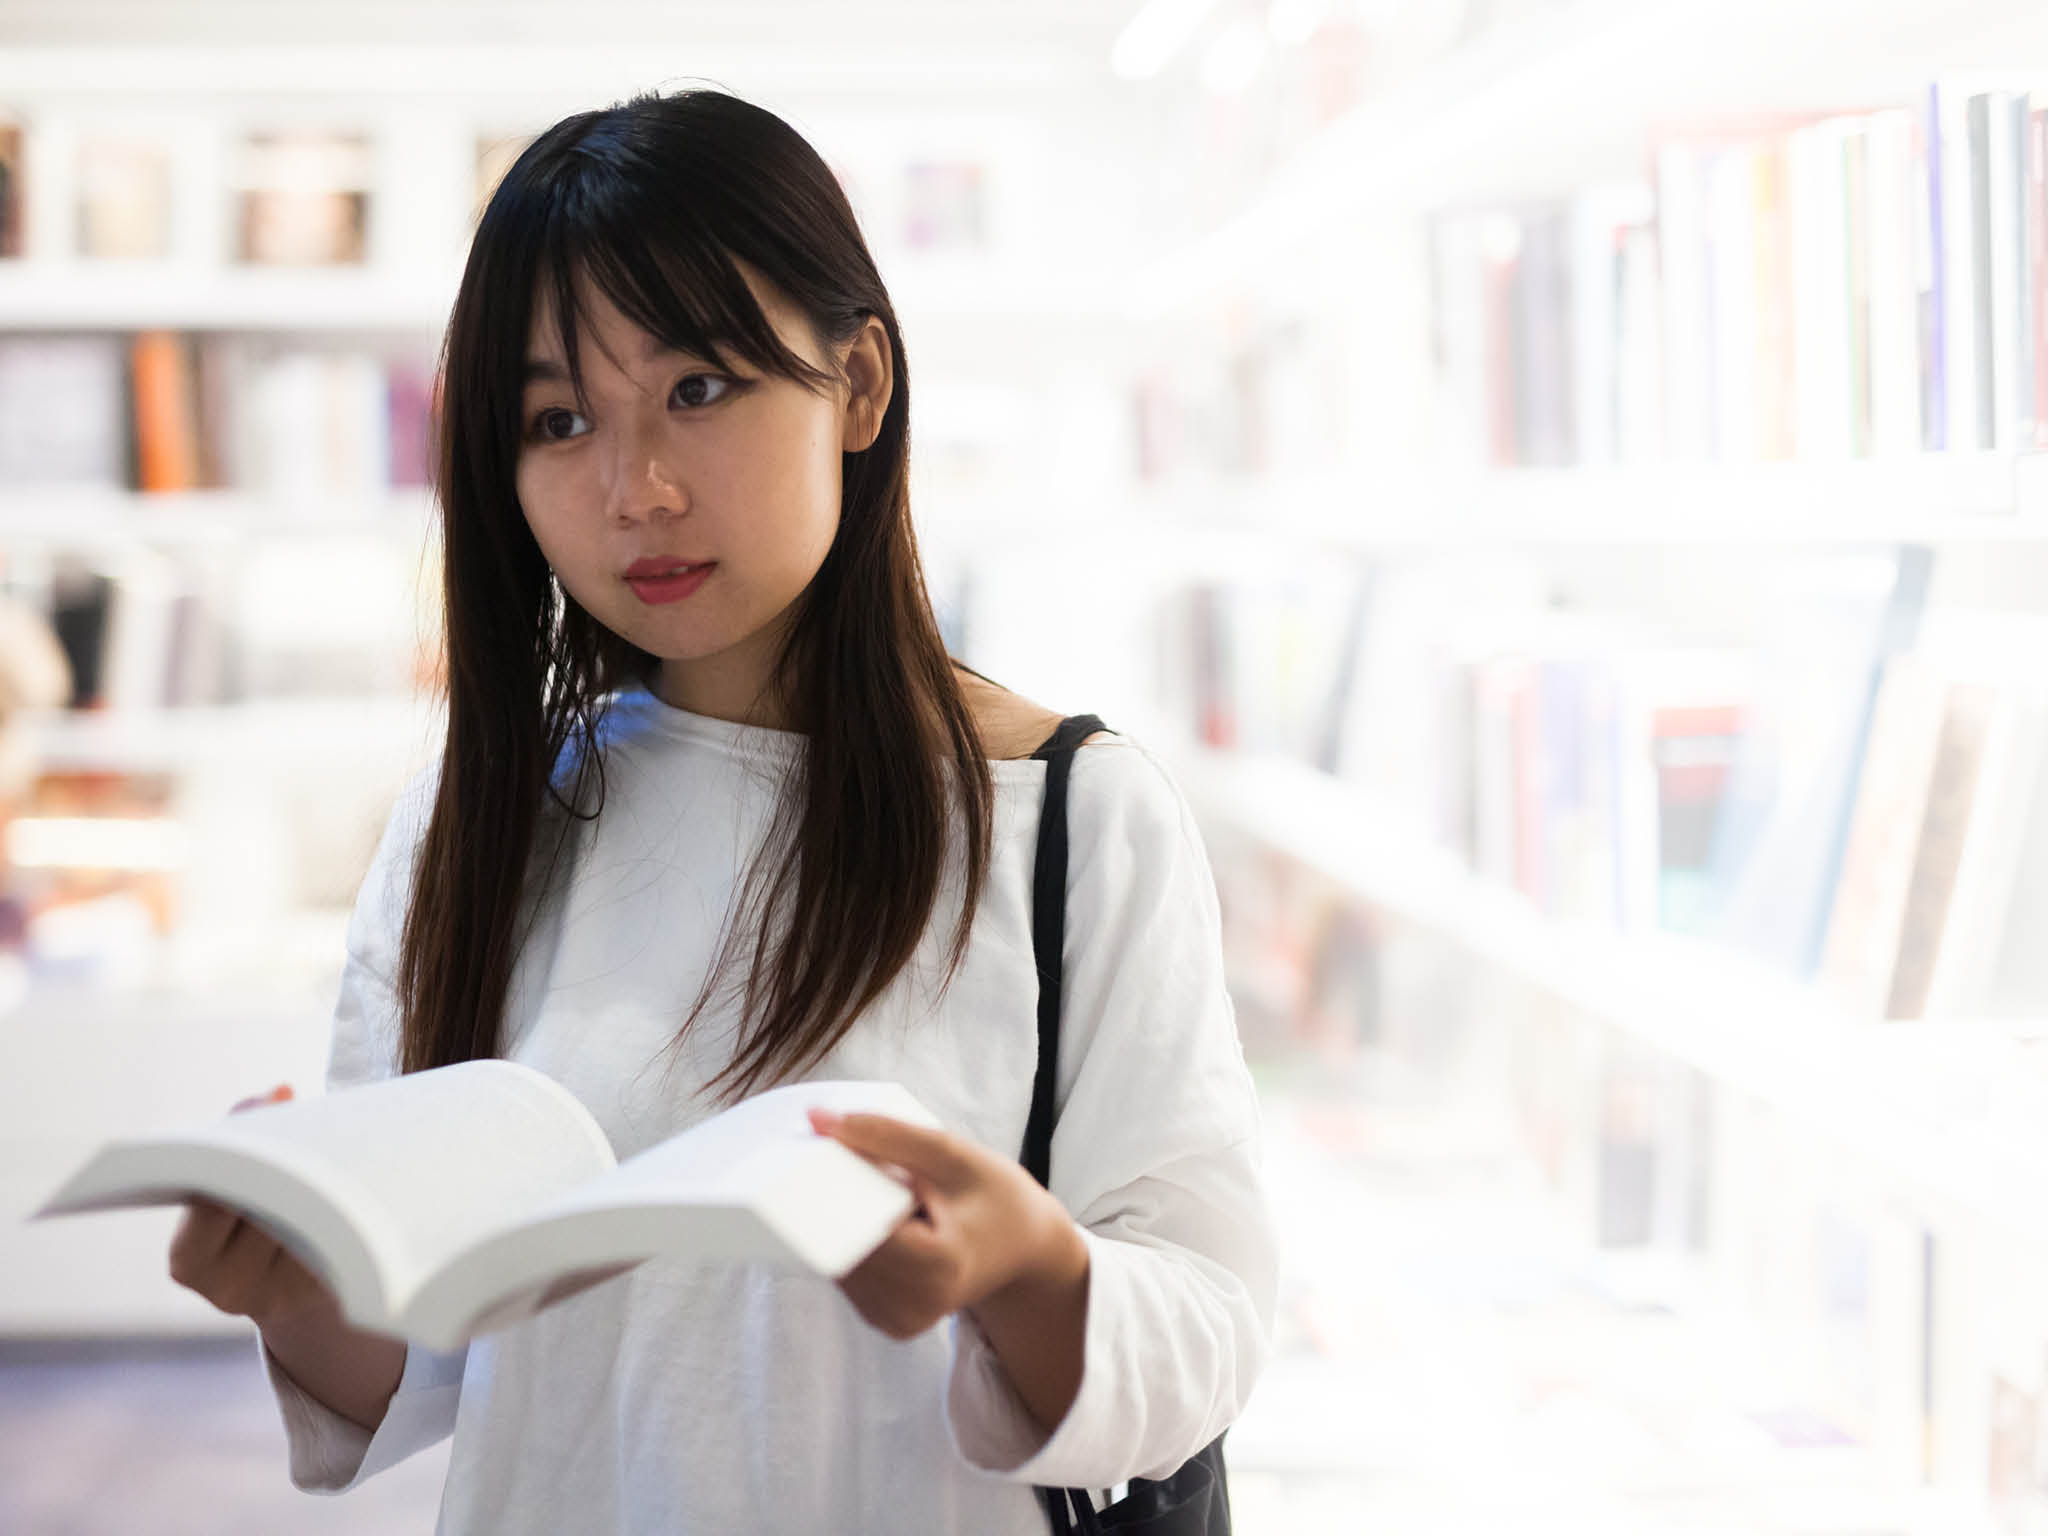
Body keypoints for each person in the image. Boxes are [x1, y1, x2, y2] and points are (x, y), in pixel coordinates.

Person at [165, 85, 1276, 1534]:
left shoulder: (1070, 818)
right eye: (559, 420)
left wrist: (1024, 1271)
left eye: (698, 388)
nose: (635, 490)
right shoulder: (476, 824)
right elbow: (425, 1368)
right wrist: (306, 1294)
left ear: (859, 385)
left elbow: (1206, 1320)